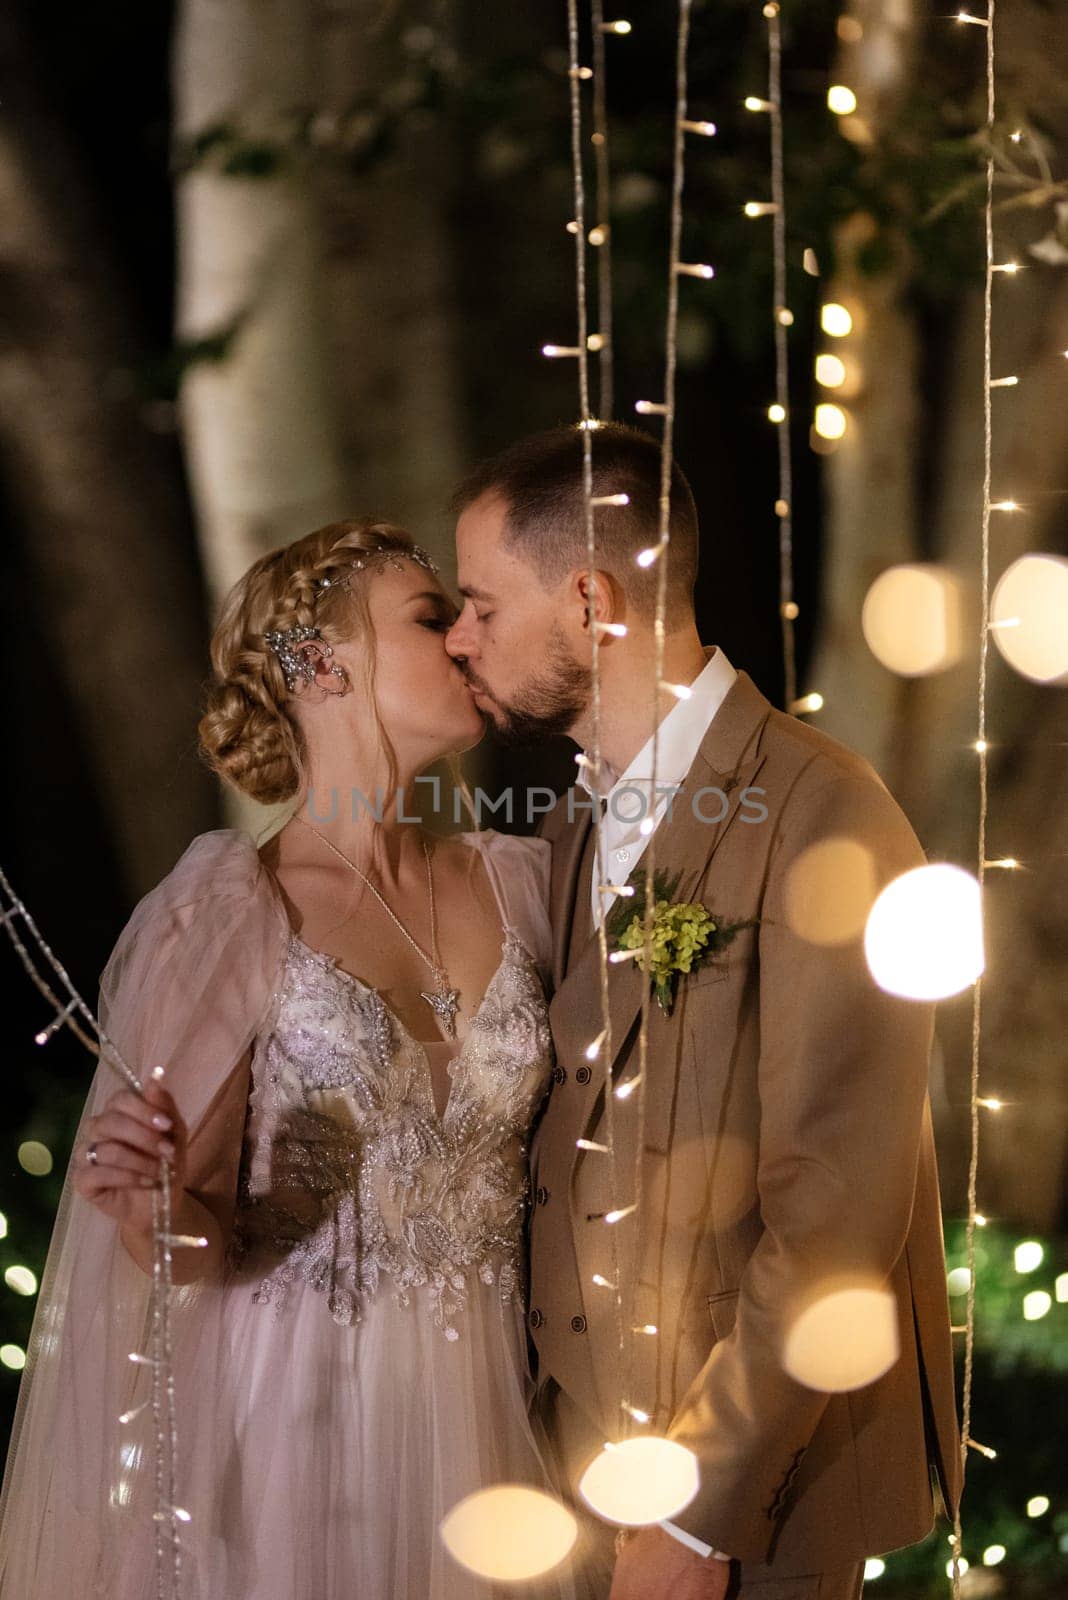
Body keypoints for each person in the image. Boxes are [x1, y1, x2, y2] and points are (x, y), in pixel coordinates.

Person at [0, 519, 579, 1600]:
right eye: (429, 615)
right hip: (299, 1433)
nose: (464, 638)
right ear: (319, 662)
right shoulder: (229, 912)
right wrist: (150, 1204)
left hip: (503, 1422)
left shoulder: (526, 883)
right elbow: (188, 1243)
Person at [444, 423, 964, 1600]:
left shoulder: (827, 816)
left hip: (753, 1506)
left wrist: (695, 1514)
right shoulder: (571, 826)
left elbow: (836, 1213)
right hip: (570, 1475)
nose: (459, 635)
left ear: (590, 601)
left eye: (480, 603)